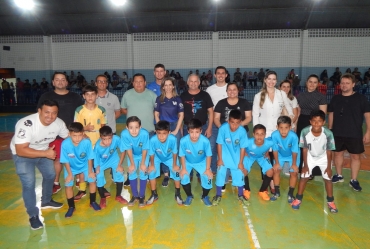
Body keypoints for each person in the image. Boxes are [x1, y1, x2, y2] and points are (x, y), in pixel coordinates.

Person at [10, 99, 68, 229]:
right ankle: (33, 215)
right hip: (24, 154)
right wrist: (46, 154)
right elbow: (21, 150)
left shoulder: (58, 123)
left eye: (54, 113)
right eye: (47, 112)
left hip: (43, 151)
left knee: (50, 175)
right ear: (39, 111)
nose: (50, 116)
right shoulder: (26, 124)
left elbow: (68, 136)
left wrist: (83, 138)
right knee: (29, 183)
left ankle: (46, 201)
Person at [38, 72, 84, 194]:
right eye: (57, 80)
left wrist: (80, 131)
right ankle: (56, 183)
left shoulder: (75, 97)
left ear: (67, 82)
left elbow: (81, 114)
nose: (60, 82)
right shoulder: (46, 96)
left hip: (73, 135)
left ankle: (79, 179)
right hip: (53, 136)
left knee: (76, 158)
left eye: (63, 79)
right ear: (53, 82)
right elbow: (40, 115)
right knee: (56, 159)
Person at [328, 73, 370, 191]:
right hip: (337, 132)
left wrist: (368, 132)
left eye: (347, 83)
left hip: (354, 133)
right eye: (342, 83)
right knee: (337, 154)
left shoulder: (361, 99)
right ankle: (339, 175)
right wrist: (330, 130)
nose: (344, 85)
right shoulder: (336, 98)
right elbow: (331, 114)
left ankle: (354, 180)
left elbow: (367, 116)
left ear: (353, 84)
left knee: (355, 156)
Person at [291, 110, 338, 213]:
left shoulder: (328, 133)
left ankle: (330, 201)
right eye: (314, 121)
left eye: (319, 121)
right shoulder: (305, 132)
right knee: (304, 177)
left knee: (328, 179)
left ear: (323, 122)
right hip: (310, 157)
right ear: (310, 121)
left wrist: (329, 167)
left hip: (324, 157)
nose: (317, 123)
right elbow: (304, 149)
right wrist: (305, 165)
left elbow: (329, 151)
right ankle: (298, 199)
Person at [61, 122, 101, 218]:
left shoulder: (87, 142)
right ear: (69, 134)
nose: (77, 138)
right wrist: (70, 174)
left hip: (85, 165)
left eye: (80, 135)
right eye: (74, 136)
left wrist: (90, 171)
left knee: (92, 180)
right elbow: (65, 160)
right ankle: (71, 207)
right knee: (68, 185)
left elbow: (90, 157)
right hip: (70, 167)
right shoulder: (65, 144)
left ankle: (93, 201)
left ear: (83, 133)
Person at [212, 110, 249, 206]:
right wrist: (220, 159)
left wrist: (240, 162)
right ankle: (218, 195)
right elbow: (219, 144)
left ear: (240, 122)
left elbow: (242, 148)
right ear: (228, 121)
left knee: (239, 173)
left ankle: (241, 195)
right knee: (220, 173)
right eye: (232, 123)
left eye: (237, 123)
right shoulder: (223, 129)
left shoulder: (242, 131)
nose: (234, 126)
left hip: (236, 155)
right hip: (224, 154)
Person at [154, 77, 184, 187]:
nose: (167, 87)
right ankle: (166, 175)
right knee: (164, 151)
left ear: (173, 86)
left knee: (175, 150)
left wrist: (176, 129)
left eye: (169, 84)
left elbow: (181, 115)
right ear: (163, 87)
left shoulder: (178, 99)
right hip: (163, 127)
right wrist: (160, 128)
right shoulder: (159, 99)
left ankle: (175, 171)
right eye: (165, 85)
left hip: (174, 125)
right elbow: (156, 114)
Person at [147, 120, 184, 205]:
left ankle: (178, 194)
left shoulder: (173, 139)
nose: (161, 136)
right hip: (157, 157)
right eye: (159, 133)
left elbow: (175, 152)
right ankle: (154, 194)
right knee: (151, 172)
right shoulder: (153, 140)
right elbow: (151, 154)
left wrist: (174, 165)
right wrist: (152, 165)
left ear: (169, 132)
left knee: (176, 172)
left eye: (164, 133)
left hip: (170, 158)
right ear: (155, 132)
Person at [296, 74, 327, 174]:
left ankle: (312, 171)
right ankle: (302, 169)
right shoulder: (300, 95)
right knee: (302, 147)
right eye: (310, 81)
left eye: (315, 82)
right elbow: (298, 111)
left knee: (313, 148)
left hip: (314, 124)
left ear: (318, 84)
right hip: (302, 122)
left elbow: (323, 114)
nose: (312, 84)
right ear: (306, 83)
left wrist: (317, 126)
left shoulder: (321, 97)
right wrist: (296, 125)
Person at [179, 118, 213, 207]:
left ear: (201, 131)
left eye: (197, 132)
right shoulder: (183, 141)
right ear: (188, 131)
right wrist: (183, 168)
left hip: (201, 161)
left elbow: (209, 155)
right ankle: (189, 196)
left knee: (208, 176)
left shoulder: (205, 141)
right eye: (192, 132)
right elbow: (182, 155)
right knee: (183, 176)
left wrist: (208, 169)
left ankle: (205, 196)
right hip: (188, 162)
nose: (194, 135)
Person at [94, 126, 128, 209]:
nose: (107, 142)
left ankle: (118, 196)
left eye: (109, 139)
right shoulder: (97, 147)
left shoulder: (116, 139)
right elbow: (96, 160)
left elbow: (123, 151)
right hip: (101, 162)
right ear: (100, 137)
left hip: (113, 159)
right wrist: (97, 168)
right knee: (99, 176)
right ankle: (102, 198)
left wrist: (120, 165)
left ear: (112, 135)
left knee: (119, 173)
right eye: (104, 139)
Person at [120, 116, 150, 208]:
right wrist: (132, 164)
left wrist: (143, 163)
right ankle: (135, 195)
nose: (134, 130)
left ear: (140, 127)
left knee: (143, 172)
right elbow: (128, 149)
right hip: (132, 155)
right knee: (132, 172)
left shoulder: (144, 134)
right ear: (127, 128)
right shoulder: (124, 134)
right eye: (131, 128)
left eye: (136, 127)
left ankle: (141, 196)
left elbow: (145, 149)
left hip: (143, 155)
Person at [270, 116, 300, 203]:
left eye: (286, 128)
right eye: (281, 128)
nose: (283, 131)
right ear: (277, 127)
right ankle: (277, 192)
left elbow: (294, 151)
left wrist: (294, 164)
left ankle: (290, 194)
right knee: (276, 170)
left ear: (290, 127)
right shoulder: (274, 135)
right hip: (280, 155)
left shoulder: (294, 137)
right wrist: (277, 163)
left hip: (292, 156)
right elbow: (275, 149)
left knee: (293, 173)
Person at [206, 66, 228, 174]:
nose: (220, 75)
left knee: (227, 148)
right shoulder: (209, 90)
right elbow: (208, 108)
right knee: (212, 146)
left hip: (229, 124)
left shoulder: (230, 88)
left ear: (226, 75)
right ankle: (213, 170)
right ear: (215, 75)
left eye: (222, 73)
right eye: (218, 73)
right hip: (214, 124)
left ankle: (227, 171)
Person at [243, 124, 274, 201]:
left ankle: (262, 191)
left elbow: (275, 143)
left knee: (270, 172)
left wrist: (267, 152)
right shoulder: (248, 142)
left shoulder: (269, 142)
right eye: (257, 134)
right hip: (249, 156)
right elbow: (240, 146)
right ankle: (246, 190)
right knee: (243, 171)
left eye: (262, 134)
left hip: (262, 157)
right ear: (253, 134)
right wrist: (243, 153)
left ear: (265, 135)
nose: (259, 136)